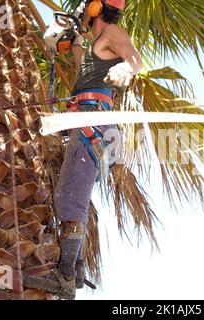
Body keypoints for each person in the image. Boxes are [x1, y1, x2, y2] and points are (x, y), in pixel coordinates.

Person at [24, 0, 142, 299]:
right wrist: (68, 40)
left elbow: (134, 61)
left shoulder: (113, 32)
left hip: (95, 123)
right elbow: (79, 63)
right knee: (68, 194)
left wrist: (125, 71)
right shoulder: (94, 47)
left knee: (70, 199)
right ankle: (73, 271)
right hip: (86, 121)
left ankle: (65, 276)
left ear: (95, 8)